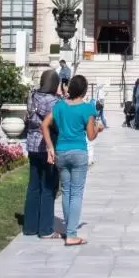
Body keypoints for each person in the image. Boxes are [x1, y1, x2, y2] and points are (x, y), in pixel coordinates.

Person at [42, 74, 103, 246]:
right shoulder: (87, 109)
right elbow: (91, 136)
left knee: (67, 192)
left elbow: (44, 124)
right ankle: (71, 234)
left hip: (61, 150)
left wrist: (49, 147)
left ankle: (69, 229)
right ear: (84, 91)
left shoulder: (60, 106)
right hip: (78, 152)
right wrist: (99, 129)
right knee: (76, 193)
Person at [24, 69, 61, 238]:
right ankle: (45, 229)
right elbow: (57, 123)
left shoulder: (32, 96)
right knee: (48, 187)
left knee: (33, 186)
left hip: (32, 146)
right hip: (47, 147)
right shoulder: (53, 101)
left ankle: (30, 227)